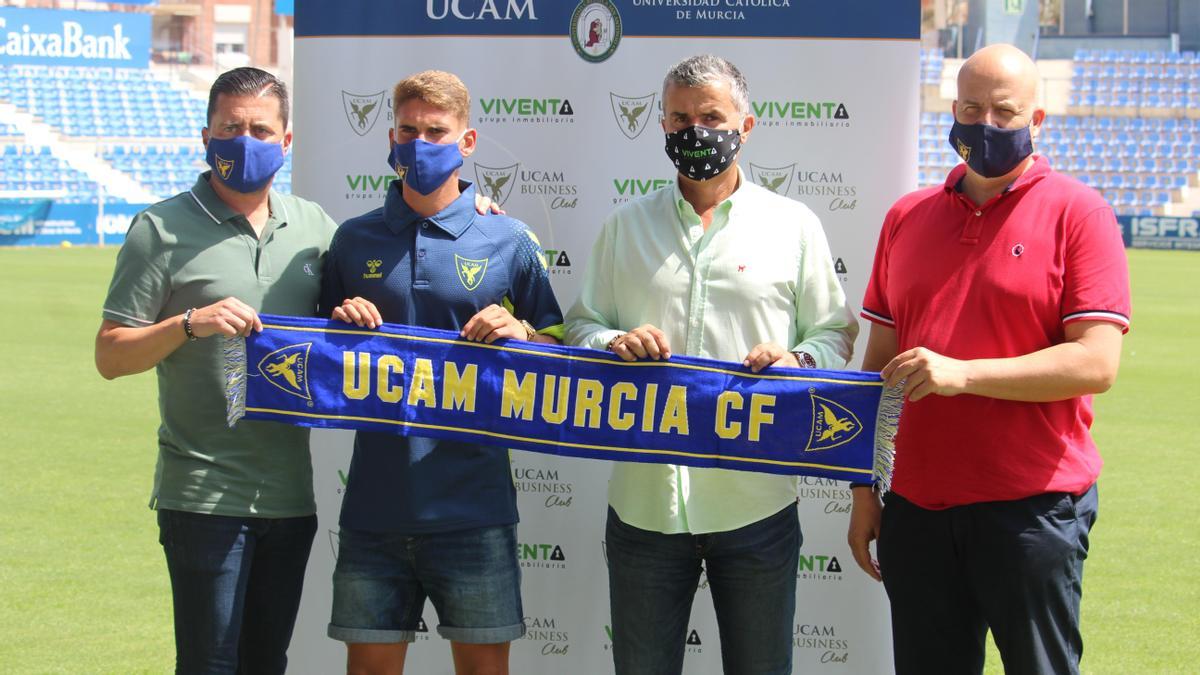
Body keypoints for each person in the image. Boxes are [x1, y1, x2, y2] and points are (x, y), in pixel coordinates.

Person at [566, 54, 858, 675]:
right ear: (663, 127)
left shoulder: (794, 226)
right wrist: (613, 342)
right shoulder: (624, 227)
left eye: (710, 116)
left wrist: (799, 357)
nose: (693, 130)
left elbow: (834, 334)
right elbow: (581, 327)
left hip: (756, 503)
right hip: (646, 506)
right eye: (678, 119)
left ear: (745, 125)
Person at [846, 44, 1130, 675]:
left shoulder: (1080, 212)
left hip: (1032, 507)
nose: (986, 124)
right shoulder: (907, 216)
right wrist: (864, 487)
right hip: (916, 507)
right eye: (972, 108)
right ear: (952, 109)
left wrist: (964, 374)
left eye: (1005, 111)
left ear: (1038, 119)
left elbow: (1096, 363)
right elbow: (877, 369)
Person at [318, 70, 564, 675]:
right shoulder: (352, 240)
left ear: (468, 141)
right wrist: (337, 322)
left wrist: (523, 333)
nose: (421, 145)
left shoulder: (507, 237)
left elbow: (560, 340)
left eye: (437, 132)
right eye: (409, 130)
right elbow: (308, 351)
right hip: (374, 507)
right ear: (391, 137)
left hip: (474, 509)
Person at [94, 67, 337, 674]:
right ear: (206, 137)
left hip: (288, 499)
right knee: (208, 665)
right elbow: (110, 353)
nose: (245, 141)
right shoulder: (161, 228)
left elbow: (382, 290)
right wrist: (187, 324)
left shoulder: (315, 228)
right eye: (231, 127)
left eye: (260, 129)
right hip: (202, 496)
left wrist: (478, 208)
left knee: (265, 663)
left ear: (286, 142)